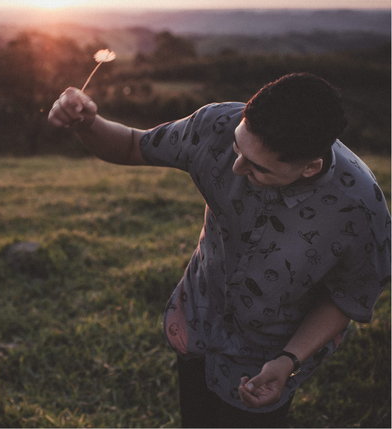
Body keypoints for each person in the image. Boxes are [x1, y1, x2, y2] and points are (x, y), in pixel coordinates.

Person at [47, 73, 390, 426]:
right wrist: (87, 123)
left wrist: (288, 360)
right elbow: (134, 144)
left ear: (310, 168)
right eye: (238, 147)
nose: (236, 166)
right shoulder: (218, 124)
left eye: (257, 167)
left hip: (267, 356)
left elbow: (345, 300)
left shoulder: (361, 209)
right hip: (198, 321)